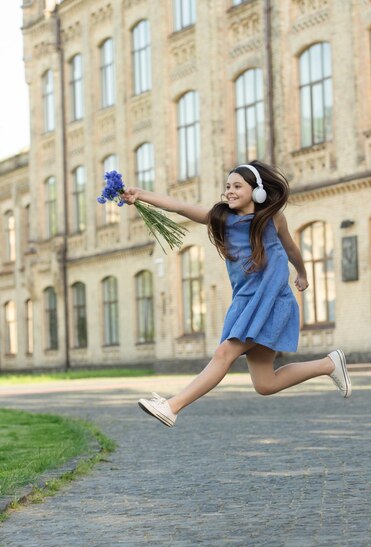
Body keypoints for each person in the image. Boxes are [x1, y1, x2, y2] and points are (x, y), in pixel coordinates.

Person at [121, 161, 351, 428]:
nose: (229, 191)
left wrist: (302, 273)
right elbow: (179, 206)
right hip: (245, 304)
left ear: (257, 191)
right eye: (227, 186)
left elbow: (291, 249)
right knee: (266, 384)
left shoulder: (273, 219)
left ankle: (173, 406)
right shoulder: (223, 219)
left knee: (223, 354)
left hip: (271, 302)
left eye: (237, 186)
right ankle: (329, 364)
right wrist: (141, 195)